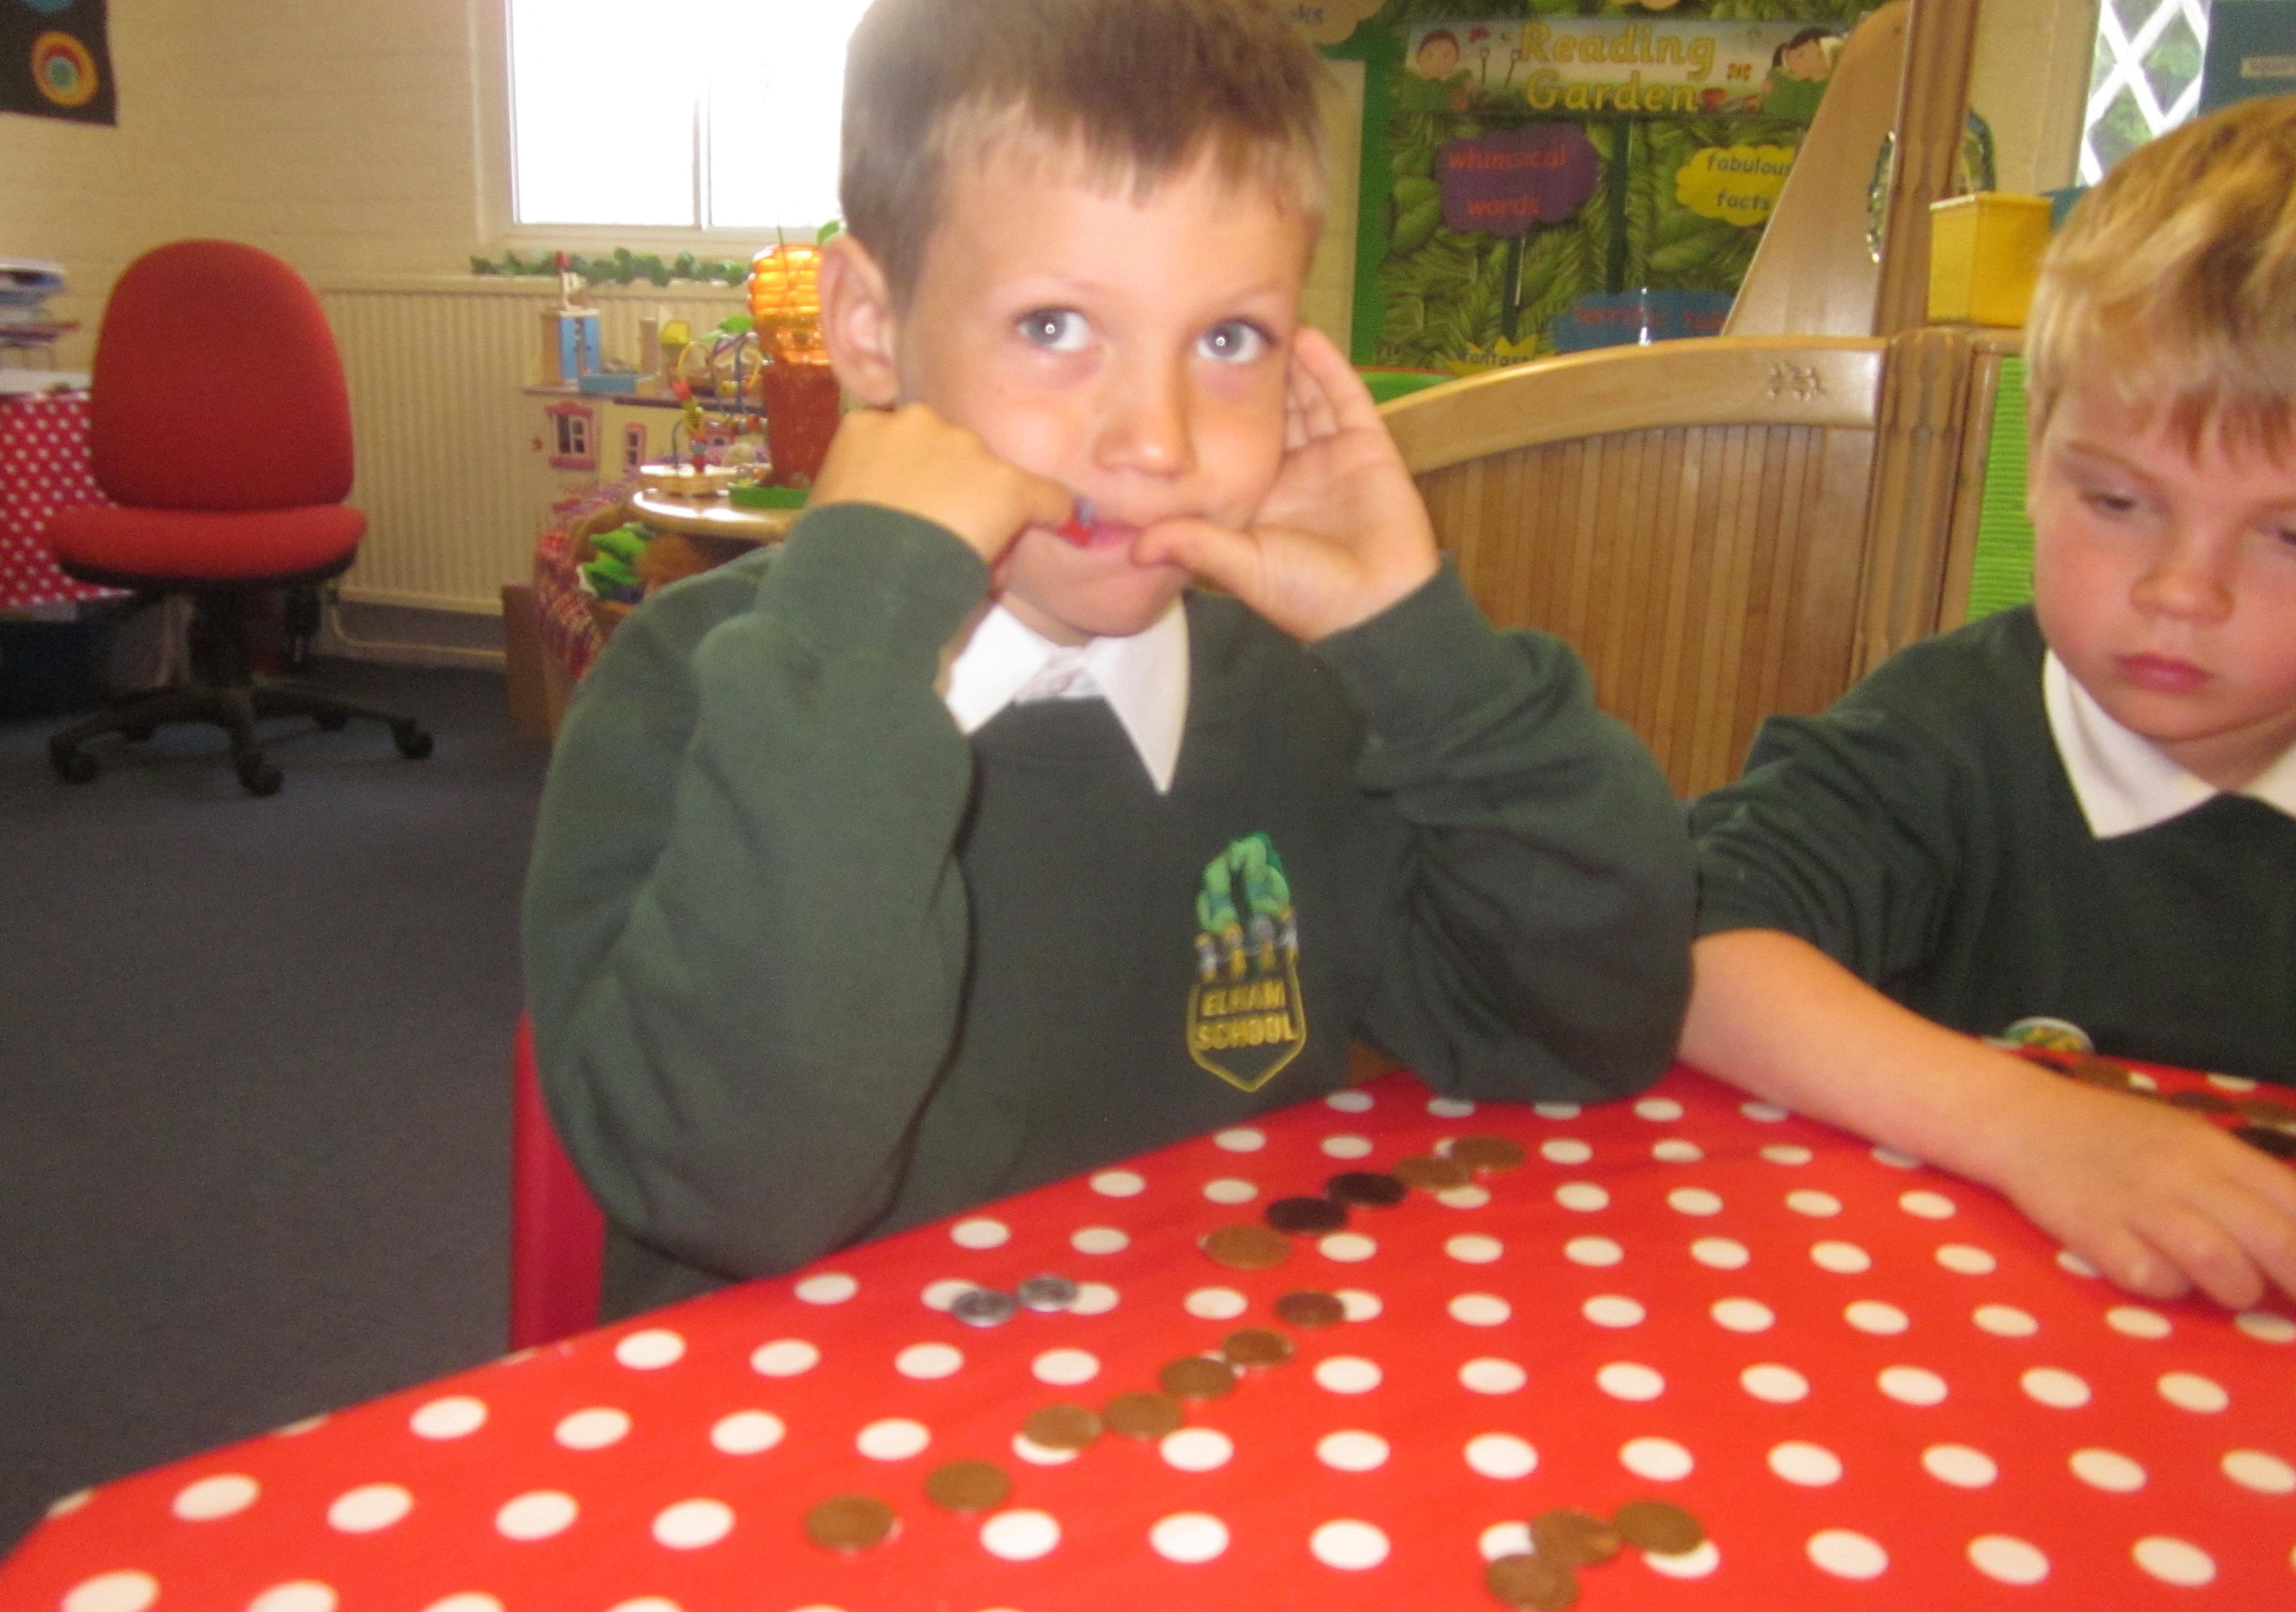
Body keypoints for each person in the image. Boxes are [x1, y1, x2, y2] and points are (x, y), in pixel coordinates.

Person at [523, 0, 1694, 1319]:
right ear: (870, 326)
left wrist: (1419, 645)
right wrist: (856, 633)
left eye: (1227, 339)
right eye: (1052, 327)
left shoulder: (1305, 701)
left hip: (1207, 1397)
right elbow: (739, 1190)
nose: (1156, 439)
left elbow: (1584, 1028)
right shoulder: (693, 687)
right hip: (811, 1427)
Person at [1682, 95, 2296, 1310]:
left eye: (2287, 534)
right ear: (2035, 463)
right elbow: (1686, 945)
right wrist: (2036, 1131)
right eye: (2116, 503)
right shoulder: (1942, 736)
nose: (2181, 590)